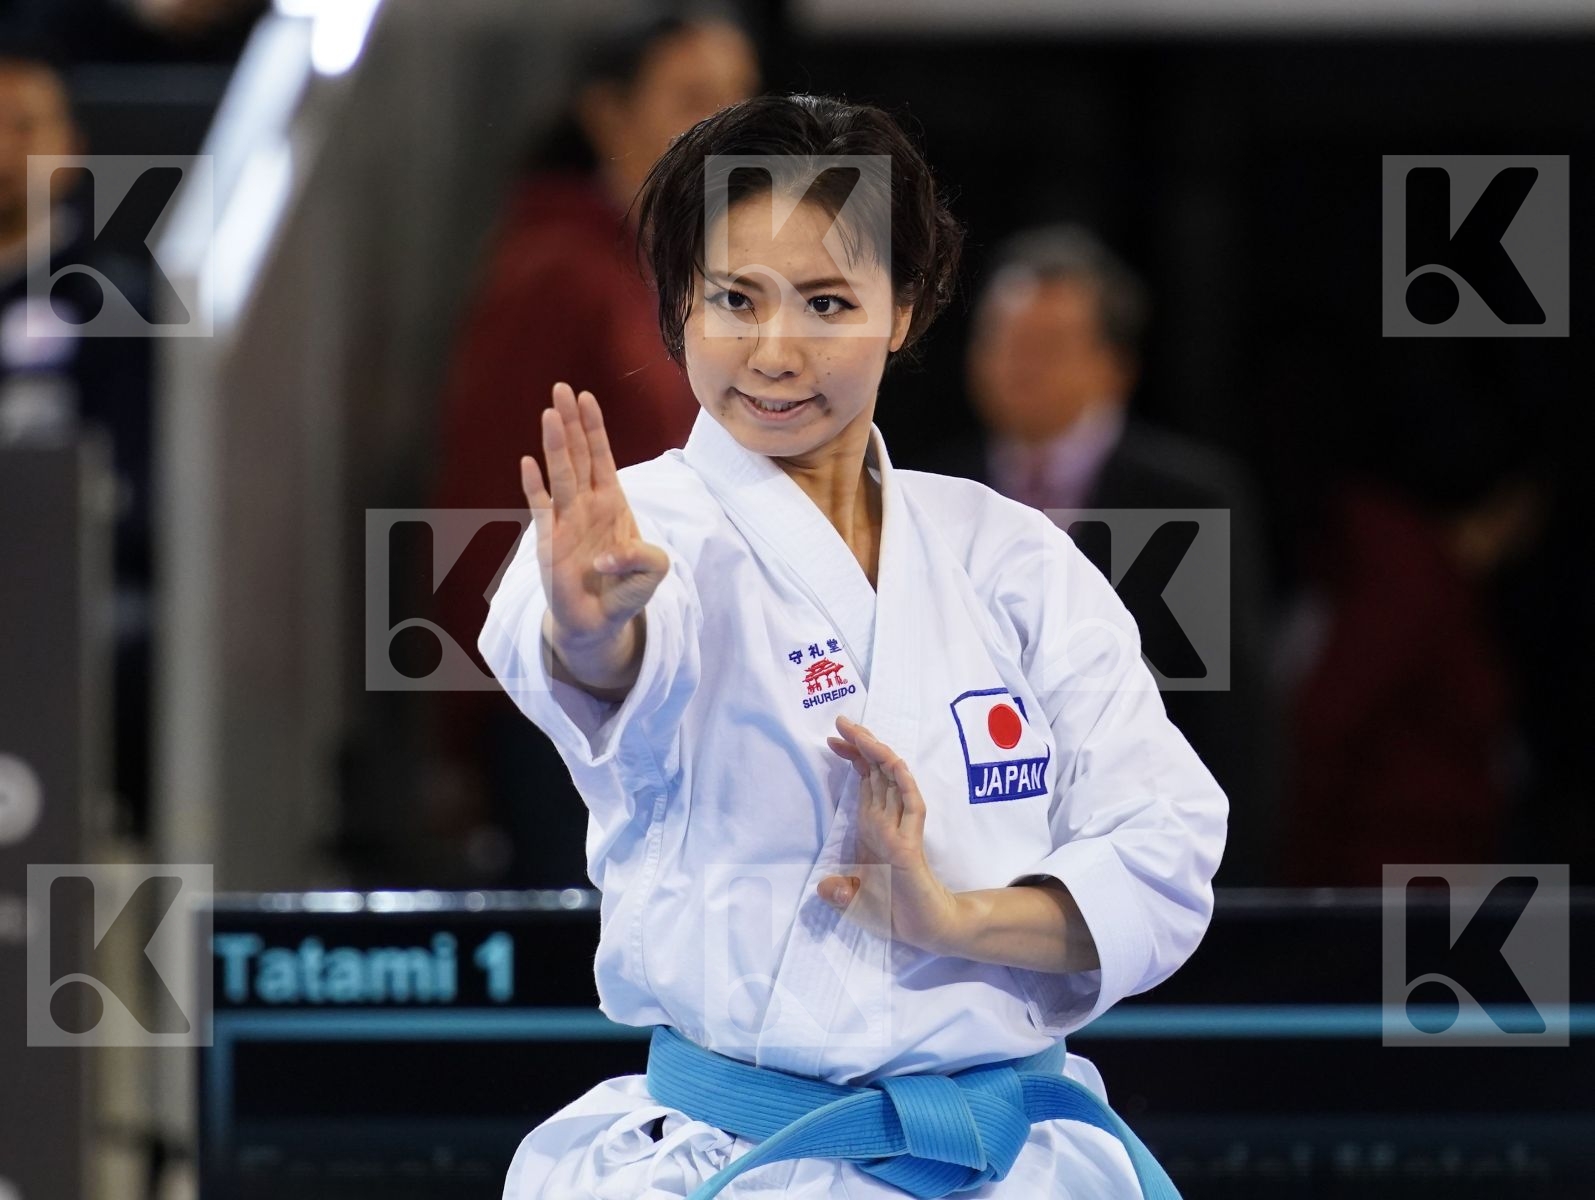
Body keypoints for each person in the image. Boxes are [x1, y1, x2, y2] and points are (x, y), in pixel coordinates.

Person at [480, 95, 1226, 1197]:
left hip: (1013, 1161)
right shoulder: (642, 533)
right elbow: (605, 674)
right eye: (735, 298)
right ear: (679, 301)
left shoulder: (1006, 555)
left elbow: (1163, 853)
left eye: (826, 302)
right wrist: (591, 629)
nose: (774, 351)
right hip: (740, 1161)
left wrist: (950, 918)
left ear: (904, 311)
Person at [428, 12, 759, 884]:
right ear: (608, 115)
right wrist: (470, 726)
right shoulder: (557, 271)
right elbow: (485, 495)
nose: (725, 126)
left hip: (697, 700)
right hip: (566, 712)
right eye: (694, 99)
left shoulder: (709, 285)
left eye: (739, 98)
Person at [940, 225, 1274, 884]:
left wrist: (1226, 893)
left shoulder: (1187, 503)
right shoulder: (929, 493)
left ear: (1113, 365)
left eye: (1046, 345)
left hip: (1139, 864)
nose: (1017, 363)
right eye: (999, 340)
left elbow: (1228, 721)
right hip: (967, 873)